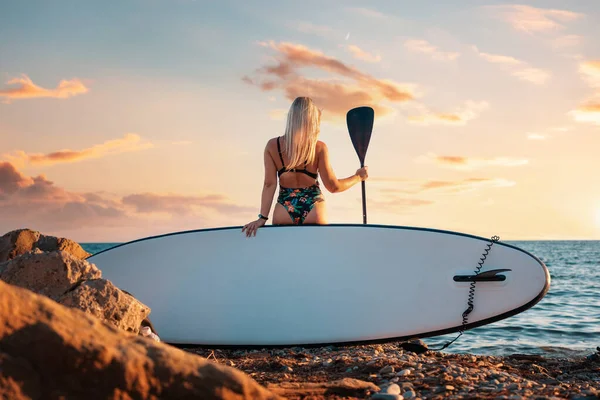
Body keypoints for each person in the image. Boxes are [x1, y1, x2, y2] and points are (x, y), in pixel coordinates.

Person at [242, 97, 368, 237]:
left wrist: (262, 218)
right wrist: (358, 177)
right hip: (313, 207)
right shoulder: (318, 147)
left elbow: (269, 184)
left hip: (284, 208)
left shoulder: (273, 146)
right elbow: (333, 186)